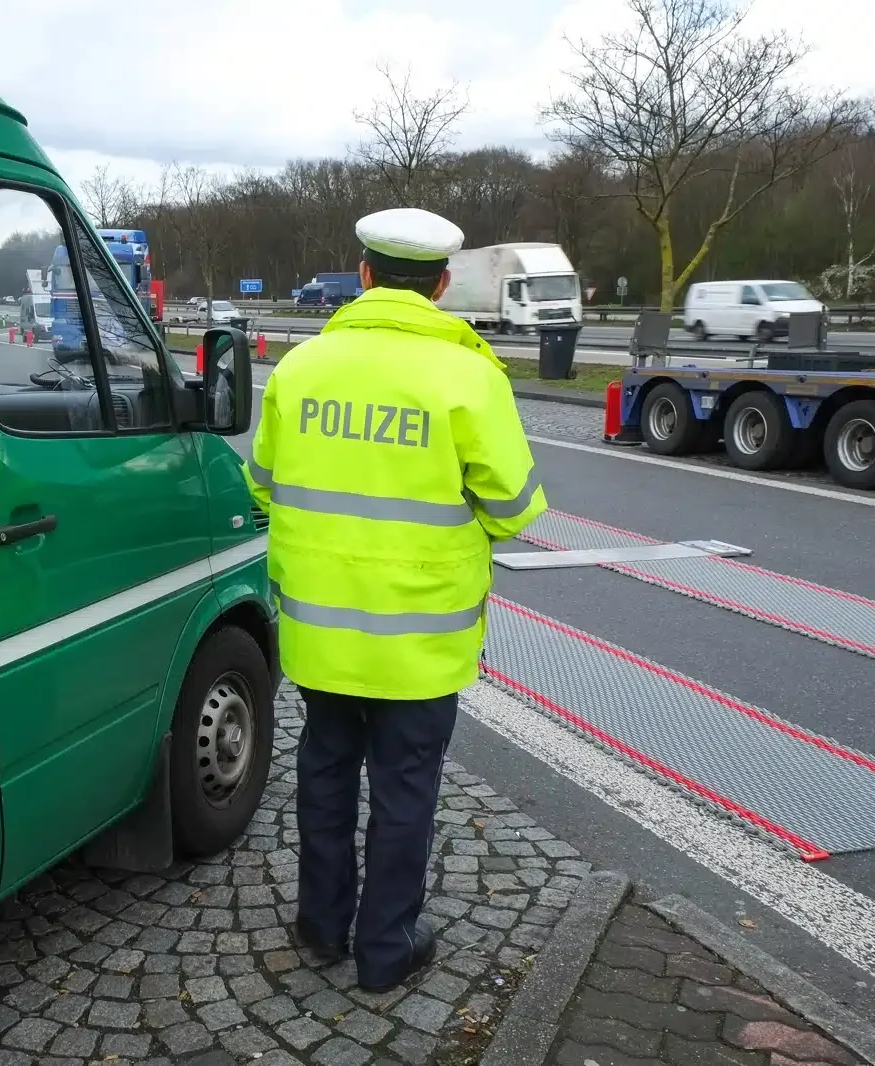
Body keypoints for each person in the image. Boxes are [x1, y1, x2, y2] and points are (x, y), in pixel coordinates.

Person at [242, 207, 547, 993]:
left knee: (325, 770)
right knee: (406, 788)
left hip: (321, 630)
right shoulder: (469, 376)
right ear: (441, 285)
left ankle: (319, 925)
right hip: (420, 638)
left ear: (365, 274)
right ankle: (387, 949)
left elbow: (266, 487)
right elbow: (512, 509)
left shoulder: (302, 368)